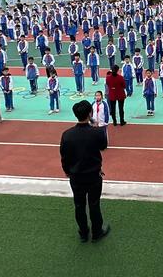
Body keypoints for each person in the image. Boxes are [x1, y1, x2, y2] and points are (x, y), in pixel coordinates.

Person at [60, 100, 110, 242]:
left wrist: (67, 171)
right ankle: (97, 233)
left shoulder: (67, 134)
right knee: (94, 204)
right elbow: (103, 146)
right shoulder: (97, 132)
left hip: (76, 176)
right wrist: (95, 128)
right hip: (93, 175)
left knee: (79, 205)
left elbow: (64, 156)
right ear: (90, 113)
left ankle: (83, 233)